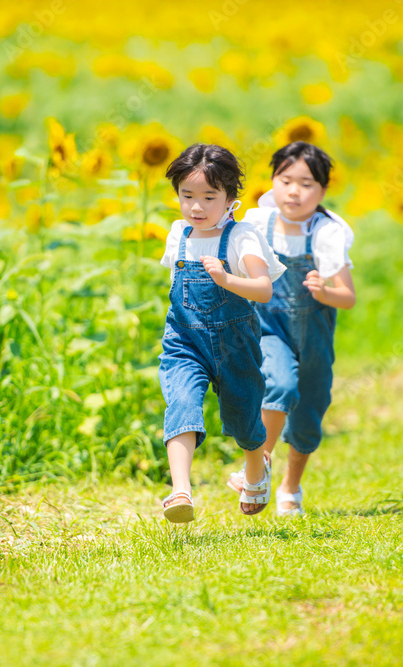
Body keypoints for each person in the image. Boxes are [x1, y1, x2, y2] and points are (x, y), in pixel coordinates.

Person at [158, 143, 286, 523]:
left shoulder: (240, 236)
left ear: (230, 197)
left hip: (235, 344)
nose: (196, 207)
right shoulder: (178, 235)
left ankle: (255, 471)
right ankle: (181, 490)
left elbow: (263, 288)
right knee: (181, 403)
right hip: (184, 342)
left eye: (209, 197)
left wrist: (226, 278)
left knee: (245, 419)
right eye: (187, 196)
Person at [228, 141, 356, 516]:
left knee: (308, 415)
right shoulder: (256, 222)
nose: (294, 191)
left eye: (306, 184)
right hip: (269, 327)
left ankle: (291, 486)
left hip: (313, 333)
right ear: (273, 182)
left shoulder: (326, 233)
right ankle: (260, 464)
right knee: (278, 383)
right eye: (285, 181)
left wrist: (324, 291)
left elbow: (347, 297)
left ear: (322, 191)